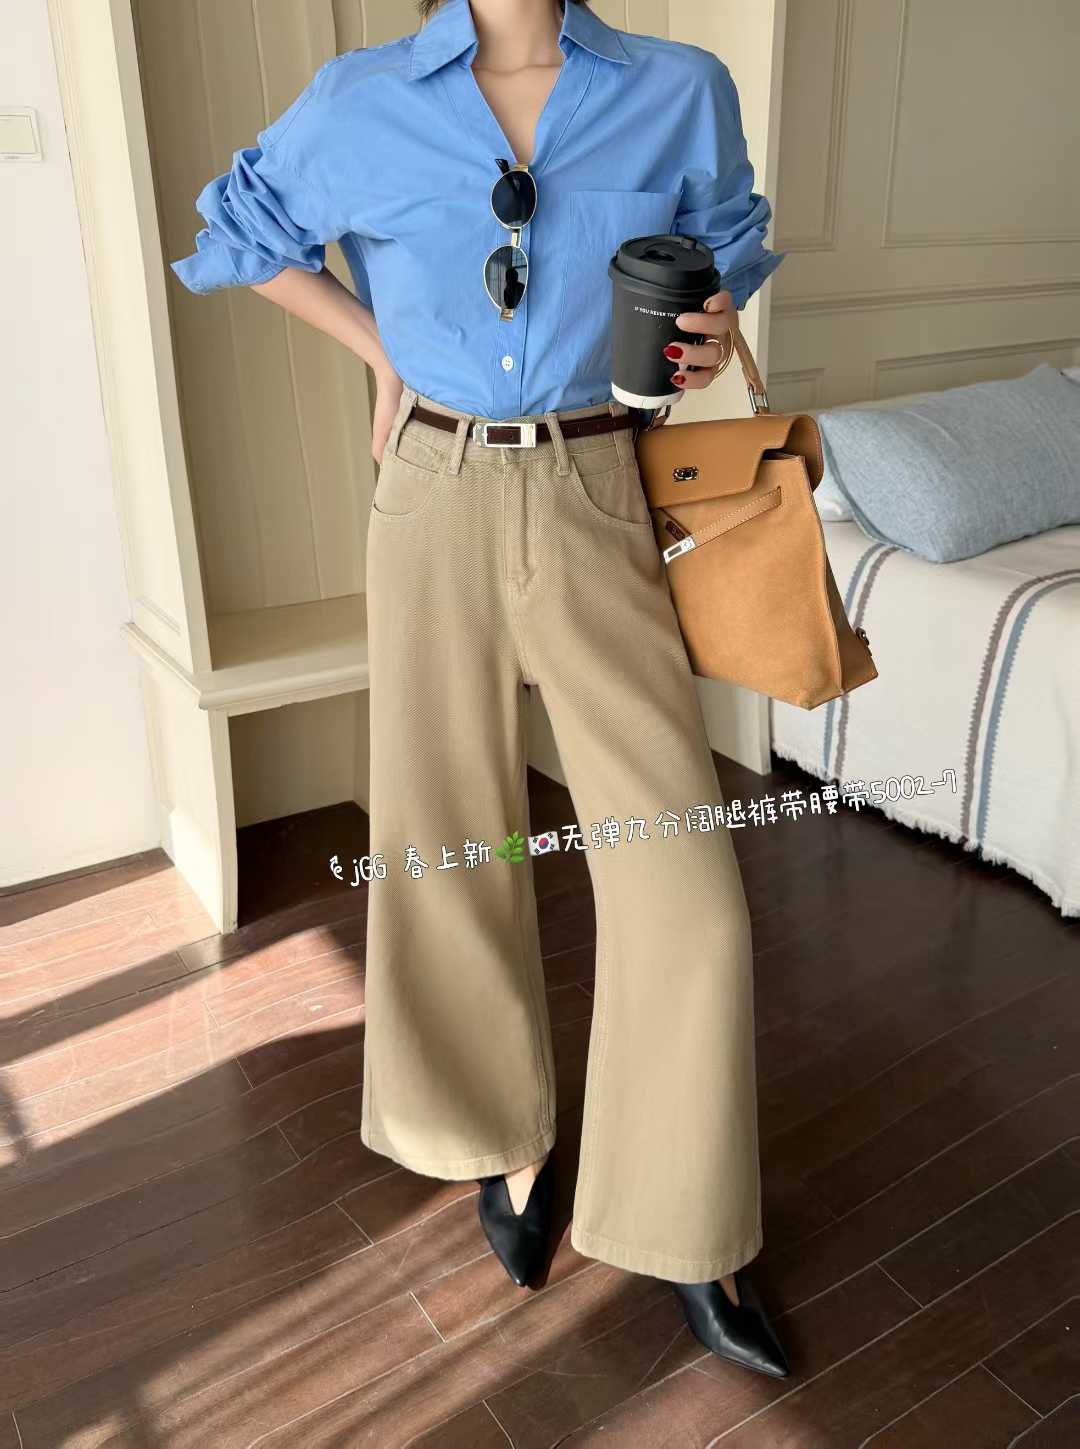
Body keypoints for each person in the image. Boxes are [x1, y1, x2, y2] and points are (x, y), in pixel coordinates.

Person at [172, 0, 790, 1380]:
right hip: (432, 492)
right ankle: (498, 1143)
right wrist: (378, 347)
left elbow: (723, 257)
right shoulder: (360, 99)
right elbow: (238, 231)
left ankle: (689, 1218)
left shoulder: (677, 87)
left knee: (680, 872)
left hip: (597, 486)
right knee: (445, 836)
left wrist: (700, 339)